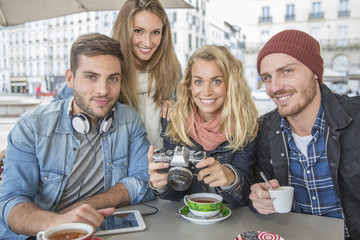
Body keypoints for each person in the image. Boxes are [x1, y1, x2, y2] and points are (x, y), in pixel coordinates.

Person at [0, 33, 154, 239]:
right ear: (70, 79)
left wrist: (85, 206)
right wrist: (59, 222)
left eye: (113, 79)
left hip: (97, 228)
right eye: (91, 77)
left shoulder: (129, 119)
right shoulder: (31, 126)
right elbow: (11, 203)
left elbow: (142, 180)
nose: (103, 90)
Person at [249, 30, 360, 240]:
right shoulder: (264, 129)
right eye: (267, 78)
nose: (275, 87)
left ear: (315, 72)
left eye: (287, 71)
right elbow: (255, 190)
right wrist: (257, 198)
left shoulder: (355, 117)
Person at [57, 0, 181, 149]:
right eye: (138, 31)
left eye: (155, 32)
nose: (148, 43)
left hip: (161, 161)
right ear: (125, 30)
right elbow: (59, 109)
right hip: (116, 162)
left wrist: (179, 108)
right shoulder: (105, 66)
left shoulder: (172, 69)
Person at [148, 45, 258, 207]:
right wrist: (161, 184)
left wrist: (231, 179)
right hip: (186, 218)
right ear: (189, 85)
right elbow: (177, 193)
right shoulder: (174, 120)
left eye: (216, 81)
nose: (206, 92)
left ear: (231, 85)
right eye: (198, 81)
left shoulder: (246, 126)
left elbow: (244, 197)